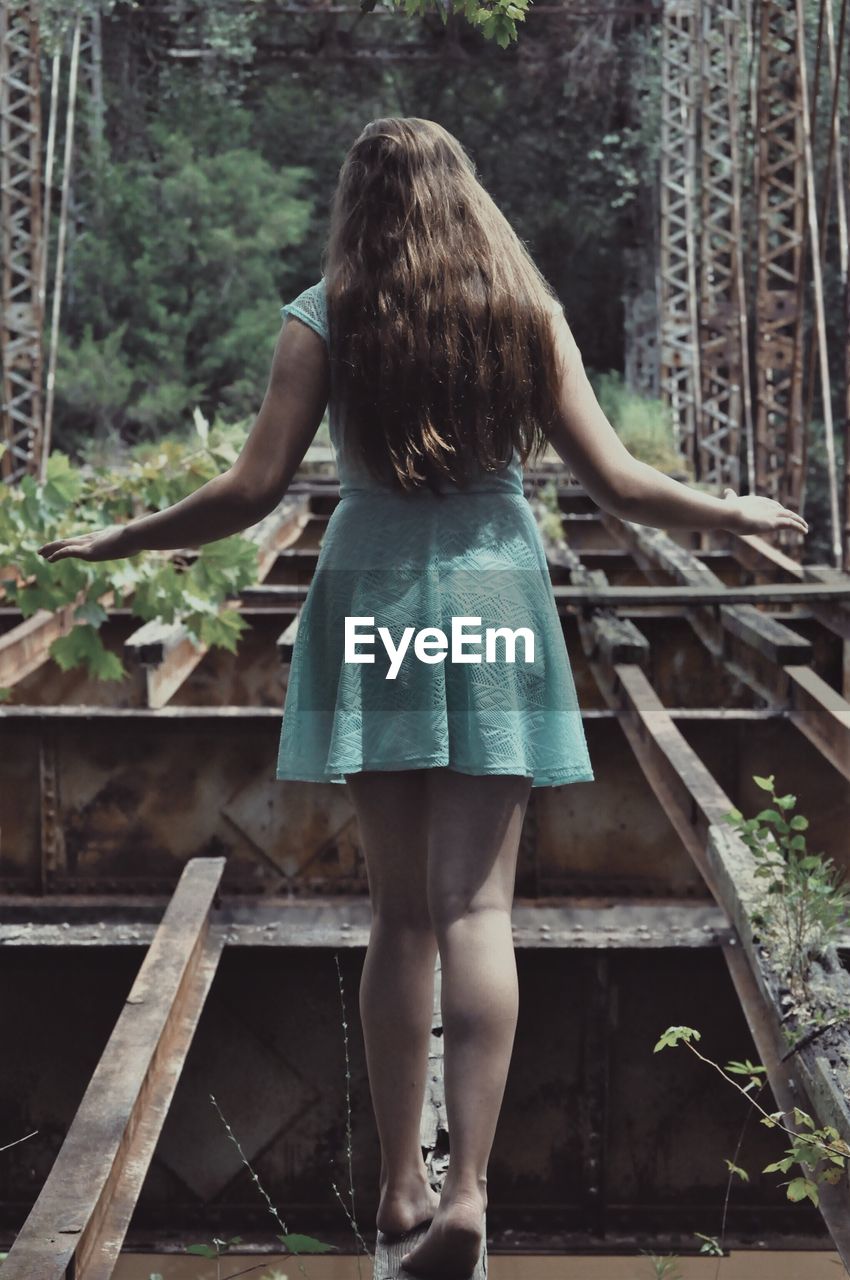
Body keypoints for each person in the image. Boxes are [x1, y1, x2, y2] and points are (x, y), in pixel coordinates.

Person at [39, 117, 808, 1280]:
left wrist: (119, 539)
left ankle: (401, 1178)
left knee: (398, 913)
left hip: (377, 595)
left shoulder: (326, 315)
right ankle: (472, 1190)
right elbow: (618, 480)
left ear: (358, 203)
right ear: (468, 196)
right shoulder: (525, 313)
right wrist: (734, 512)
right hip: (495, 591)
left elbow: (250, 489)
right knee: (477, 911)